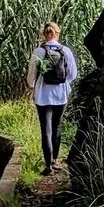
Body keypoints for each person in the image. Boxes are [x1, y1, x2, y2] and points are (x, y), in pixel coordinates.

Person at [26, 22, 79, 176]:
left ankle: (48, 166)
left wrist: (32, 86)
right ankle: (55, 161)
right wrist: (63, 82)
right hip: (60, 94)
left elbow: (31, 74)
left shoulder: (39, 51)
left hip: (43, 95)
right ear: (57, 33)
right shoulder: (65, 51)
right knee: (57, 126)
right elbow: (73, 74)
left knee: (46, 130)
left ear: (44, 34)